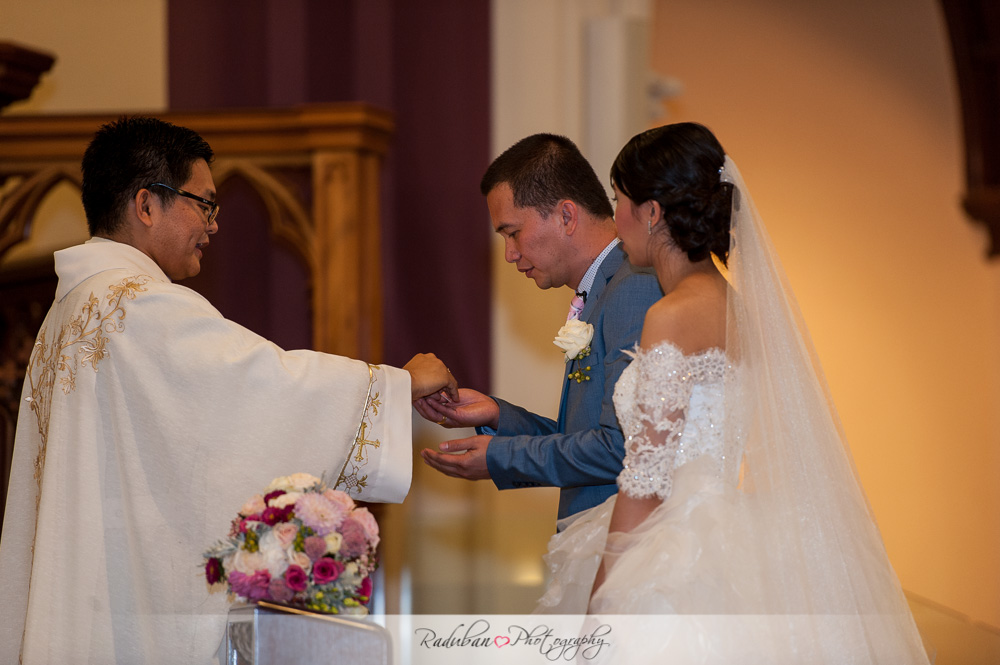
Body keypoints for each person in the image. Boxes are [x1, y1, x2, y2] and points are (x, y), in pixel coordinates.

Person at [0, 116, 456, 665]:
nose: (213, 225)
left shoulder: (66, 312)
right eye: (204, 204)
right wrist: (397, 384)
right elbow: (262, 386)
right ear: (147, 205)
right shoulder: (140, 304)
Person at [536, 123, 932, 664]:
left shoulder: (672, 315)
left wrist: (598, 611)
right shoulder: (738, 308)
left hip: (672, 555)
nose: (615, 216)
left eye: (618, 198)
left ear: (651, 212)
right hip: (735, 544)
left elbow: (647, 482)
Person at [416, 134, 662, 524]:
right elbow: (582, 437)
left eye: (512, 232)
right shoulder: (605, 289)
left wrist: (500, 457)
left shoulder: (633, 287)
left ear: (566, 216)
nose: (510, 254)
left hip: (625, 535)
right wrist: (498, 416)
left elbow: (620, 447)